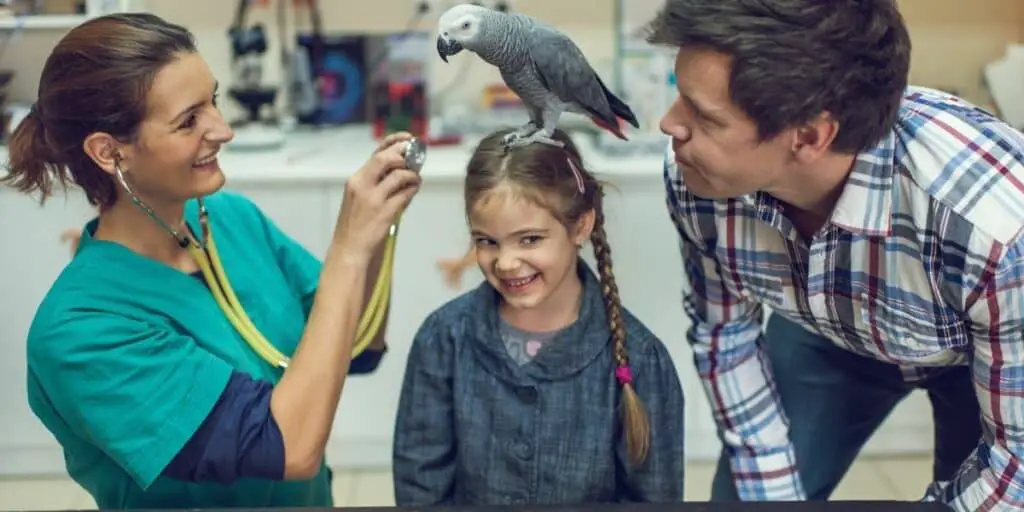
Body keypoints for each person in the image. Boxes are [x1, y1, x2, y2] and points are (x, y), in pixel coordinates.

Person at [1, 13, 421, 509]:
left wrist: (377, 232)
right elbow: (290, 447)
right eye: (189, 120)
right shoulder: (80, 331)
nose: (223, 130)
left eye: (214, 101)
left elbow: (358, 345)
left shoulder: (232, 220)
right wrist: (348, 250)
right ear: (110, 152)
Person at [645, 0, 1024, 509]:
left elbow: (1015, 471)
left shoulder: (997, 229)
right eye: (679, 96)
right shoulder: (698, 178)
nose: (670, 126)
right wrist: (770, 496)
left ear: (809, 136)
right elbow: (724, 333)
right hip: (826, 333)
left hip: (980, 357)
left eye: (704, 117)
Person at [391, 128, 686, 506]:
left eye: (529, 239)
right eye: (487, 241)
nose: (506, 262)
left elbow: (654, 498)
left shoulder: (642, 361)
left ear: (580, 226)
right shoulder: (441, 340)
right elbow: (419, 488)